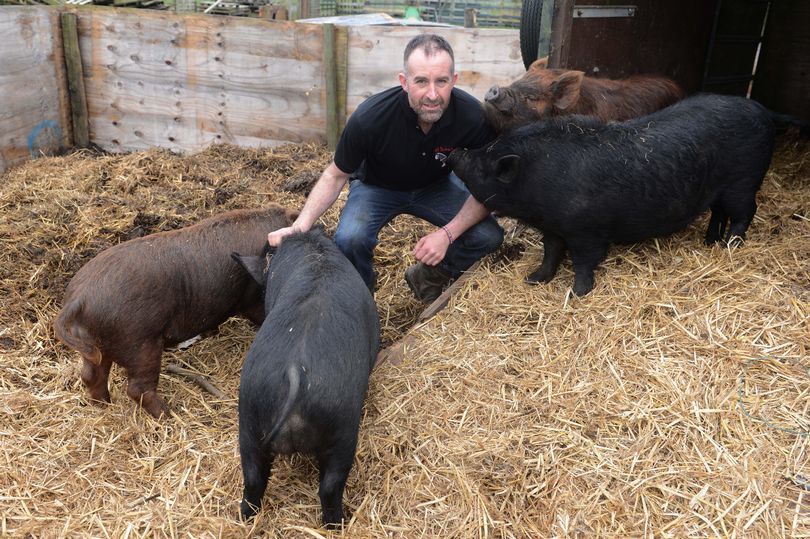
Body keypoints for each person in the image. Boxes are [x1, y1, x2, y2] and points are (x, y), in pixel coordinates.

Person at [267, 33, 503, 302]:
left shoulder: (472, 117)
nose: (433, 94)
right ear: (404, 82)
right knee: (351, 238)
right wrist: (301, 226)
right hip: (376, 187)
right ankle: (361, 300)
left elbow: (489, 183)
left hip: (435, 187)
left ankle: (428, 277)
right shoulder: (370, 118)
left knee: (488, 236)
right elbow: (335, 175)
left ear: (454, 80)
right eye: (421, 82)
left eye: (442, 81)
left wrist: (446, 235)